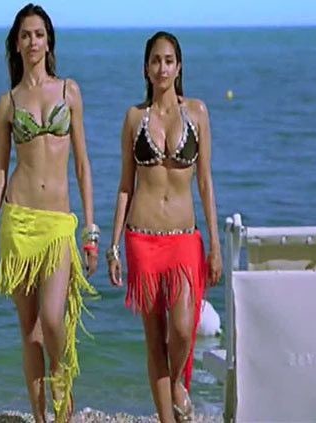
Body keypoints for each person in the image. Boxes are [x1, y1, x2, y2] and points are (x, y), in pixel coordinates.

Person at [0, 4, 98, 422]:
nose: (32, 42)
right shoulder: (7, 103)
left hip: (59, 224)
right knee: (30, 331)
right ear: (16, 44)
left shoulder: (69, 92)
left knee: (52, 318)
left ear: (49, 41)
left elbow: (83, 166)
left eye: (39, 34)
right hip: (19, 221)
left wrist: (90, 231)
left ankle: (63, 385)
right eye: (25, 35)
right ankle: (41, 417)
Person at [106, 31, 222, 423]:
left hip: (184, 238)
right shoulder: (134, 117)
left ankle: (175, 383)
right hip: (142, 237)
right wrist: (113, 245)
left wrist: (215, 245)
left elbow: (205, 182)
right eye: (155, 61)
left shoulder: (198, 113)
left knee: (184, 328)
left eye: (168, 60)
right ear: (146, 68)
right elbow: (126, 185)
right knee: (154, 337)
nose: (162, 68)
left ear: (179, 66)